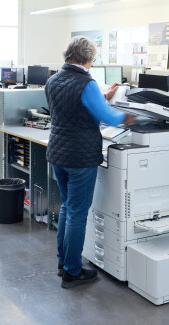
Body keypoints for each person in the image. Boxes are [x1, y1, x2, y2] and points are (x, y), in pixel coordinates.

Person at [45, 36, 135, 289]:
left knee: (67, 207)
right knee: (77, 213)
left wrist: (102, 96)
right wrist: (130, 117)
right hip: (80, 156)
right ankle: (72, 272)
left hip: (58, 152)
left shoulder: (53, 80)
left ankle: (63, 262)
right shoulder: (86, 83)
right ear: (87, 58)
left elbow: (72, 107)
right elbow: (109, 118)